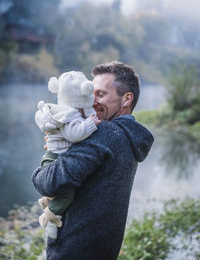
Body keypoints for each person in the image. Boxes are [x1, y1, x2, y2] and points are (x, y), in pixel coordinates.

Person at [32, 61, 154, 260]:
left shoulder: (105, 133)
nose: (92, 101)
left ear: (126, 99)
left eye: (101, 94)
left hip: (73, 252)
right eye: (91, 93)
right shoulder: (128, 136)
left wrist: (46, 164)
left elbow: (51, 183)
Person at [34, 71, 100, 239]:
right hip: (55, 158)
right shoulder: (70, 115)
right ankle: (49, 218)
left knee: (61, 188)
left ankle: (48, 199)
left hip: (49, 156)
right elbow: (74, 135)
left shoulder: (59, 111)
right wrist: (91, 123)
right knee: (67, 194)